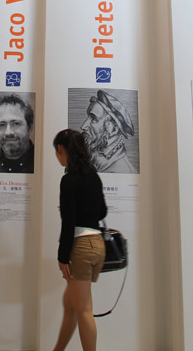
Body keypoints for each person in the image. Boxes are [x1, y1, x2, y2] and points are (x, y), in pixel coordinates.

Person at [51, 129, 107, 351]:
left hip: (81, 247)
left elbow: (68, 224)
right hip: (98, 245)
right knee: (70, 305)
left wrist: (62, 257)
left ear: (61, 149)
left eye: (57, 152)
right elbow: (102, 211)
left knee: (84, 310)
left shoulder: (68, 180)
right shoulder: (93, 175)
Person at [80, 90, 135, 173]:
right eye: (88, 118)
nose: (83, 126)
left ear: (113, 129)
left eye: (94, 119)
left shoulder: (122, 170)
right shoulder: (93, 154)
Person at [0, 94, 35, 173]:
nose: (8, 132)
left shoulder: (42, 161)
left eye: (16, 123)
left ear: (30, 127)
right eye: (2, 125)